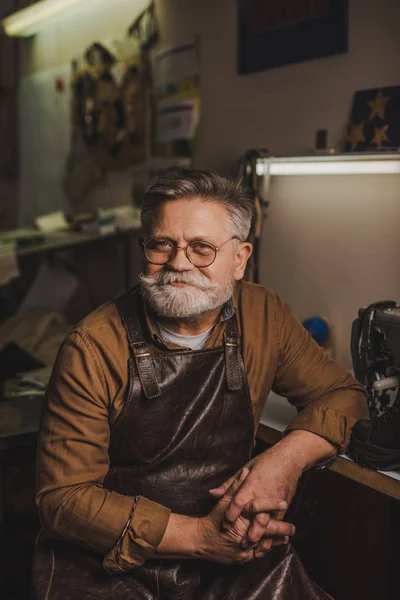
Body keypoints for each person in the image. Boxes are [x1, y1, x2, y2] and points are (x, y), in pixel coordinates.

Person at [32, 170, 368, 599]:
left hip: (231, 553)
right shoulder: (92, 346)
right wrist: (200, 538)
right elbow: (63, 500)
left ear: (241, 258)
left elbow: (346, 395)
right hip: (108, 565)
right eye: (161, 244)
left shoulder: (263, 314)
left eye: (202, 248)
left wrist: (283, 461)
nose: (178, 263)